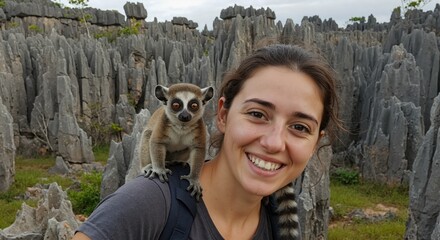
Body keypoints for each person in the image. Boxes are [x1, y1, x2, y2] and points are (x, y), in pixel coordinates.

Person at [72, 44, 341, 240]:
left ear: (316, 142)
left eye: (299, 127)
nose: (274, 143)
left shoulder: (273, 220)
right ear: (223, 115)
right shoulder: (148, 202)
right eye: (257, 114)